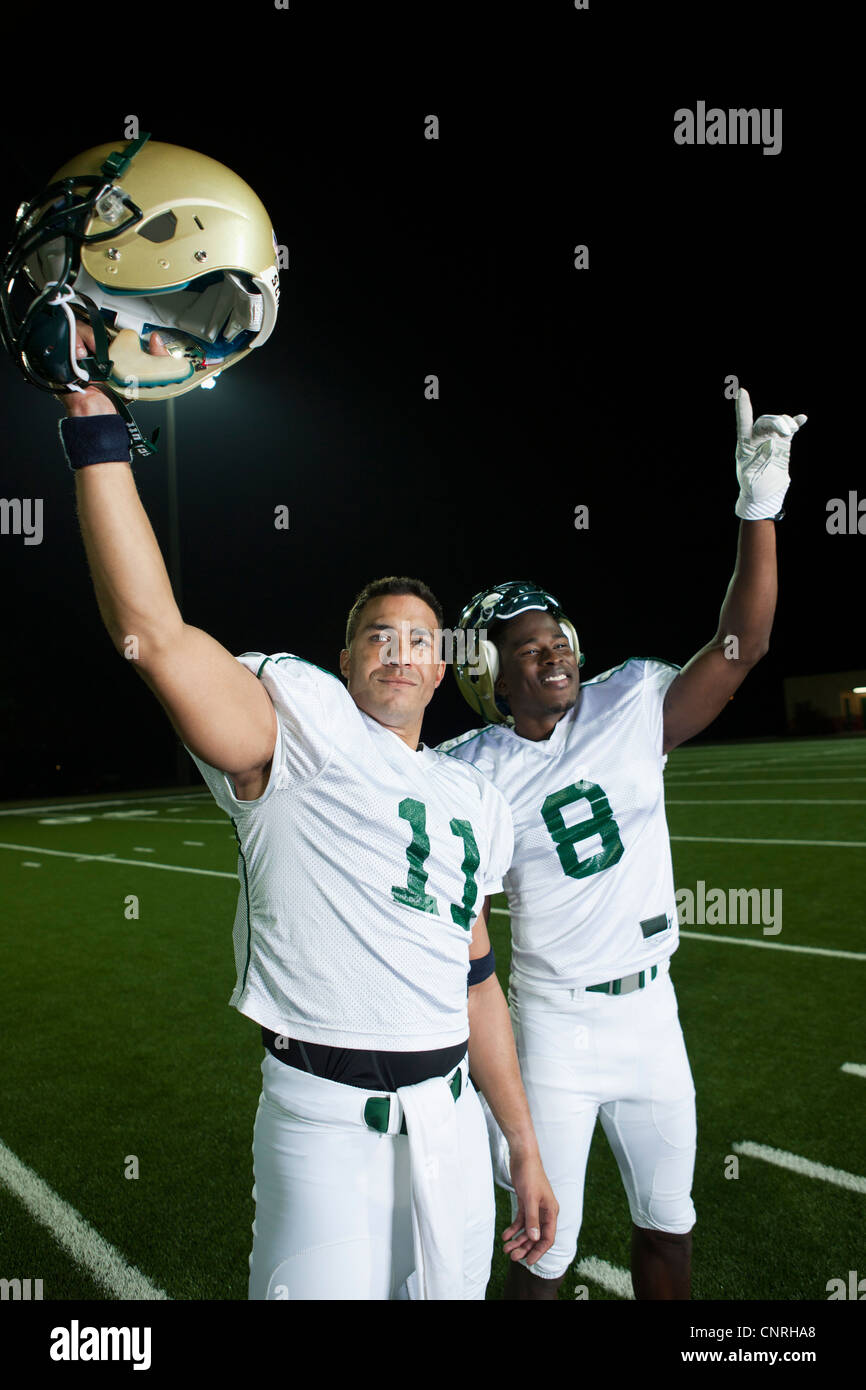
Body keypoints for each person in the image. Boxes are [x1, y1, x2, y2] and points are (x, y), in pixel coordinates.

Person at [55, 323, 558, 1300]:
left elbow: (478, 981)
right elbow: (152, 636)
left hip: (454, 1118)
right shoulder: (300, 723)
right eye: (380, 636)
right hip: (323, 1113)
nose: (403, 650)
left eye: (422, 638)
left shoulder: (473, 796)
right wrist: (93, 425)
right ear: (345, 660)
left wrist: (522, 1147)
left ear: (444, 663)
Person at [440, 389, 807, 1300]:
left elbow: (741, 645)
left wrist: (758, 510)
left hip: (654, 1014)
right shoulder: (473, 769)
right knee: (541, 1251)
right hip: (554, 1027)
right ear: (488, 675)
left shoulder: (629, 702)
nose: (553, 653)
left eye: (556, 636)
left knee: (669, 1228)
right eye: (525, 649)